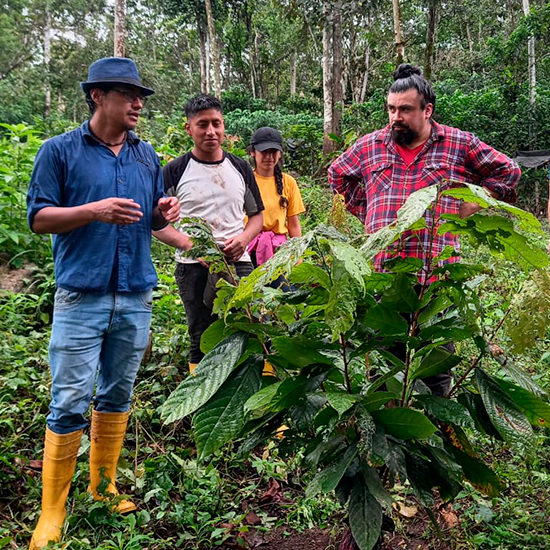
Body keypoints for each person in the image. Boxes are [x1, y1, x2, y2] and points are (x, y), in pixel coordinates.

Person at [26, 57, 184, 549]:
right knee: (69, 397)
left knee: (117, 394)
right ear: (97, 95)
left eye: (141, 96)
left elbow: (153, 221)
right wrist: (93, 211)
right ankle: (52, 511)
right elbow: (39, 218)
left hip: (136, 293)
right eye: (127, 94)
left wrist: (170, 218)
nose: (138, 103)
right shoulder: (60, 152)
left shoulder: (146, 156)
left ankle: (102, 487)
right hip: (82, 295)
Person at [328, 64, 520, 395]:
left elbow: (508, 171)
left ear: (427, 110)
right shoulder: (370, 145)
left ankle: (436, 433)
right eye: (391, 109)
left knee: (436, 371)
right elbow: (337, 175)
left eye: (405, 109)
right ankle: (390, 441)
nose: (395, 117)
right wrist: (368, 212)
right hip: (384, 277)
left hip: (437, 279)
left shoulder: (458, 143)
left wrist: (474, 202)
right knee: (386, 373)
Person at [153, 94, 264, 374]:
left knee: (251, 328)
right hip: (193, 267)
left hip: (238, 262)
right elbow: (156, 224)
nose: (211, 131)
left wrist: (242, 240)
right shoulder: (174, 171)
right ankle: (200, 405)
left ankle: (254, 405)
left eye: (217, 123)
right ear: (189, 128)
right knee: (200, 335)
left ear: (224, 126)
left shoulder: (239, 167)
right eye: (203, 124)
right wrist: (190, 245)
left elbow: (257, 217)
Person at [247, 127, 305, 267]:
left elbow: (294, 225)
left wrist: (298, 256)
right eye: (264, 152)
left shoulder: (288, 182)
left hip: (278, 250)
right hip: (248, 249)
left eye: (273, 152)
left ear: (280, 154)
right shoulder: (245, 181)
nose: (269, 157)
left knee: (281, 288)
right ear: (253, 152)